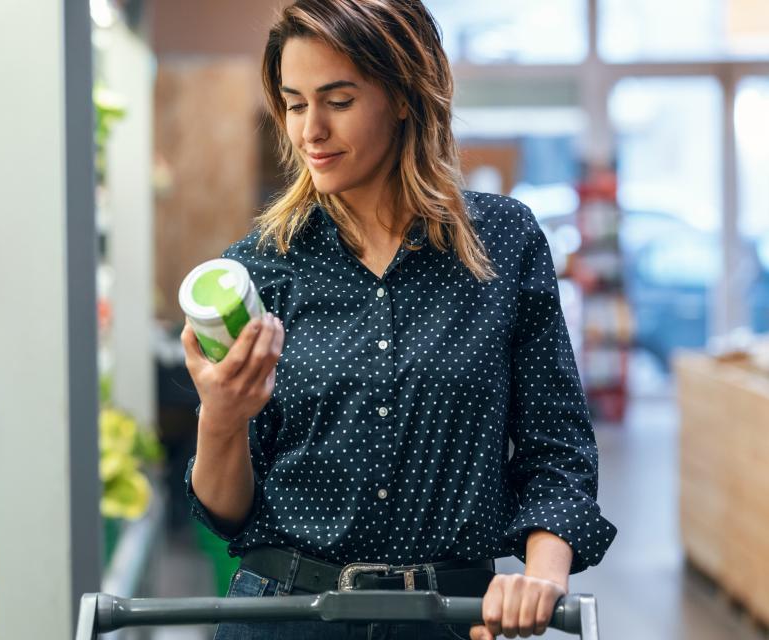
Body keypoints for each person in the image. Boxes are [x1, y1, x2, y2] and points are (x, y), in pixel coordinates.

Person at [180, 1, 617, 639]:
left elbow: (557, 448)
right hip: (287, 615)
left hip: (450, 618)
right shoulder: (259, 269)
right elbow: (226, 513)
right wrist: (222, 417)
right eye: (295, 104)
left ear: (406, 96)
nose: (311, 131)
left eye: (339, 101)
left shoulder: (502, 242)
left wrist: (542, 578)